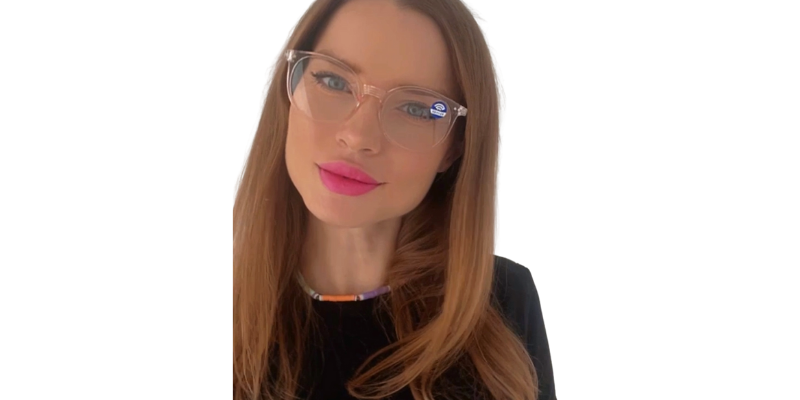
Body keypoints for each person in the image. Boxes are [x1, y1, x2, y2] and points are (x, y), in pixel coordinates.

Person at [233, 0, 556, 398]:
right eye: (333, 81)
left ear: (455, 147)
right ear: (290, 89)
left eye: (416, 108)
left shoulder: (503, 302)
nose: (359, 137)